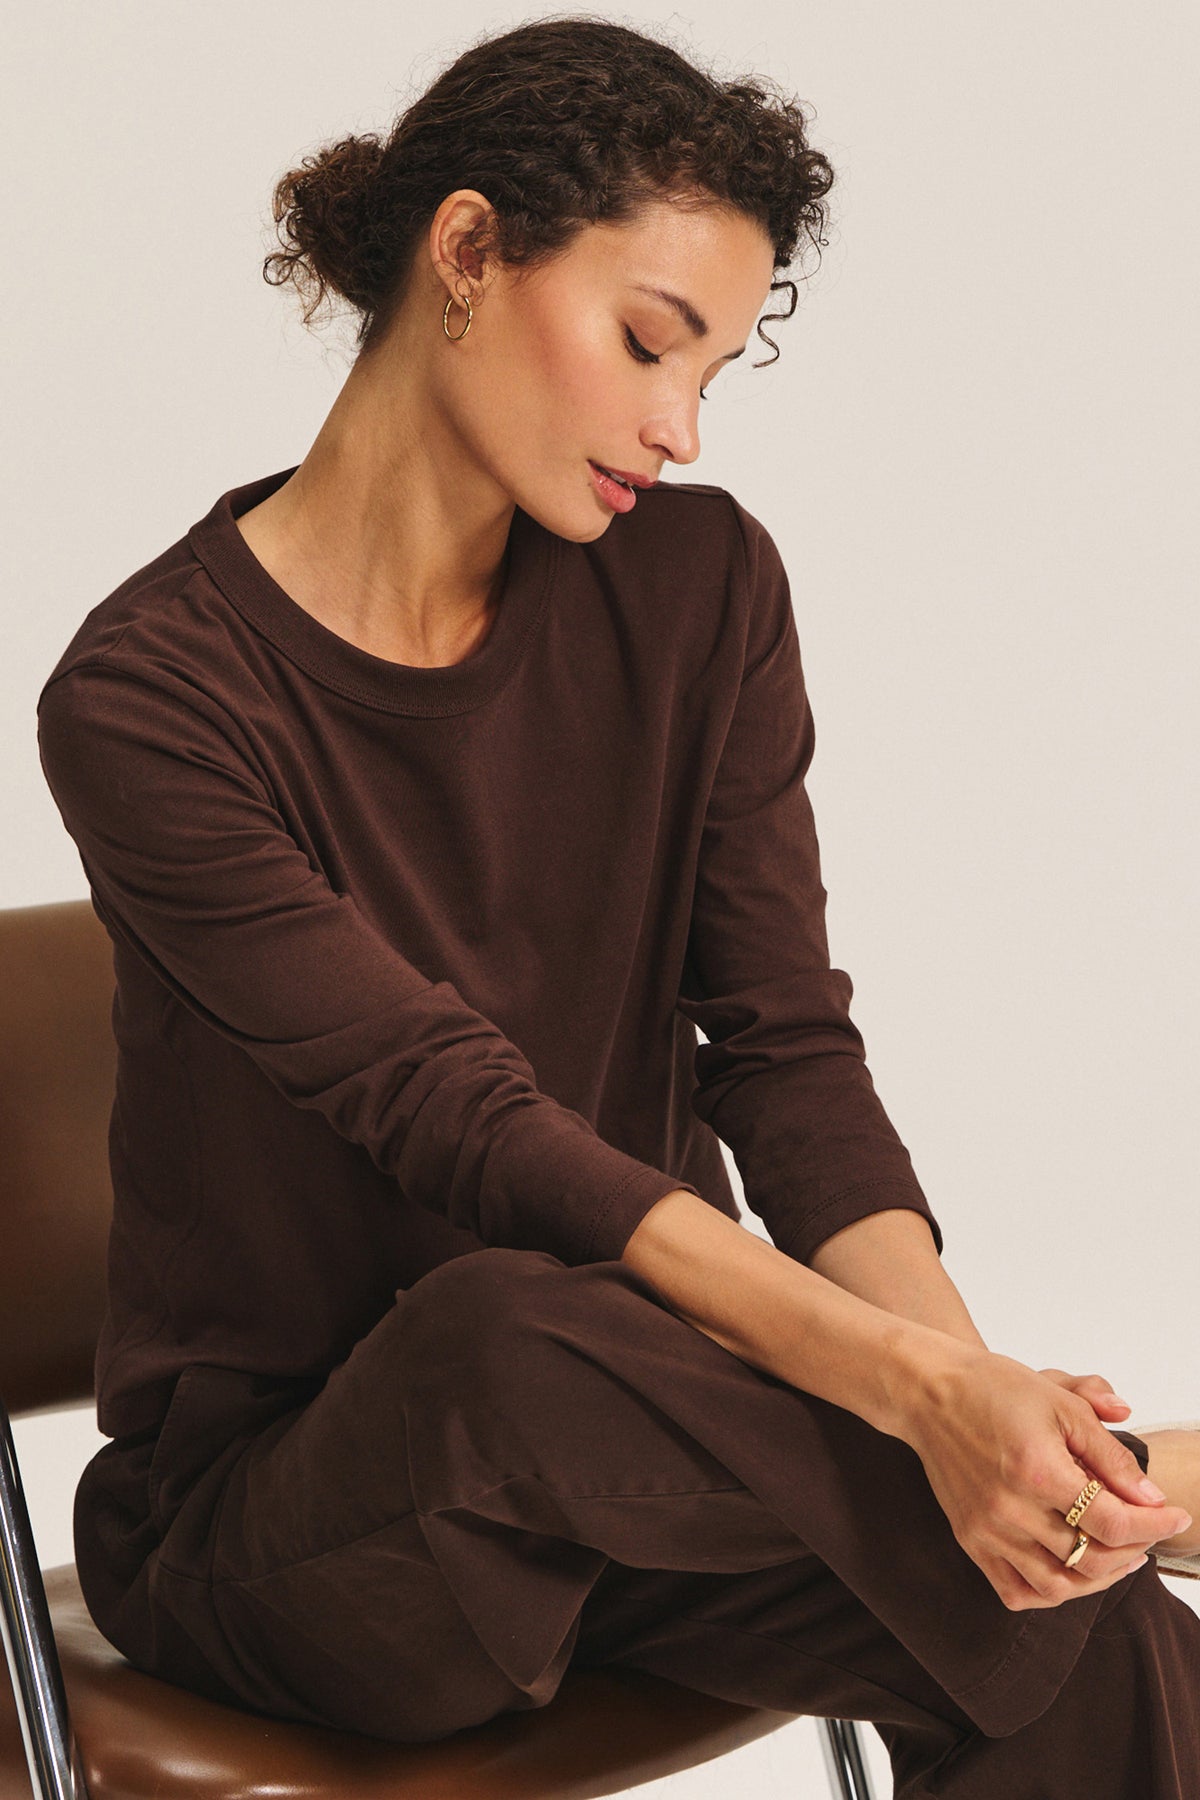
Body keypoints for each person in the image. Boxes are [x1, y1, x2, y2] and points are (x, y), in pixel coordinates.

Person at [35, 15, 1200, 1796]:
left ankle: (1102, 1505)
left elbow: (787, 1059)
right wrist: (922, 1405)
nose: (680, 425)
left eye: (717, 370)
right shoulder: (151, 699)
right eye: (651, 342)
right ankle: (1153, 1485)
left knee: (1060, 1621)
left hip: (655, 1474)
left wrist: (1003, 1440)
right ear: (467, 252)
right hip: (302, 1532)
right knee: (505, 1329)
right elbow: (461, 1122)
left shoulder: (699, 590)